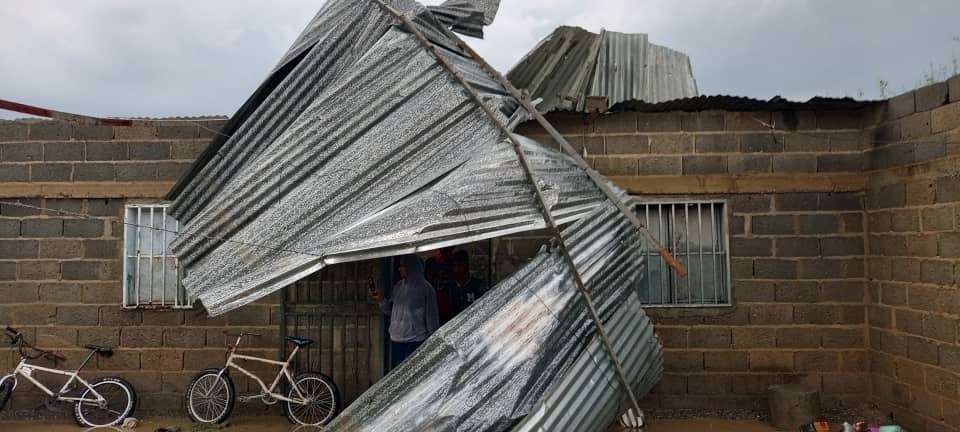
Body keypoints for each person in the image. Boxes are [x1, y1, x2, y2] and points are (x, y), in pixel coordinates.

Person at [371, 255, 439, 368]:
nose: (399, 269)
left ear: (411, 267)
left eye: (402, 266)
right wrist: (381, 300)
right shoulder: (398, 287)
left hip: (414, 342)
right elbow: (391, 311)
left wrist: (433, 344)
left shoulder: (426, 289)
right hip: (397, 341)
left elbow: (432, 320)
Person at [449, 250, 487, 315]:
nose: (457, 269)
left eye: (460, 265)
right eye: (455, 266)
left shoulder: (477, 285)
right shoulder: (451, 287)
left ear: (466, 266)